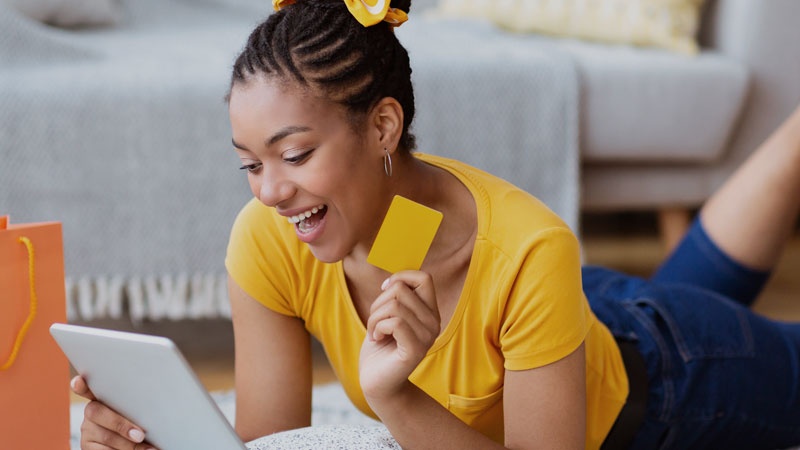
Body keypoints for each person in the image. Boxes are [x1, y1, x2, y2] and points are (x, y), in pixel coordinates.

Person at [71, 0, 800, 448]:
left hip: (674, 378)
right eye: (250, 164)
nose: (269, 192)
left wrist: (397, 395)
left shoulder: (527, 247)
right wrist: (153, 441)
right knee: (665, 292)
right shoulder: (298, 233)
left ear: (382, 126)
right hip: (560, 324)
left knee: (702, 327)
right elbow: (275, 445)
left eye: (293, 154)